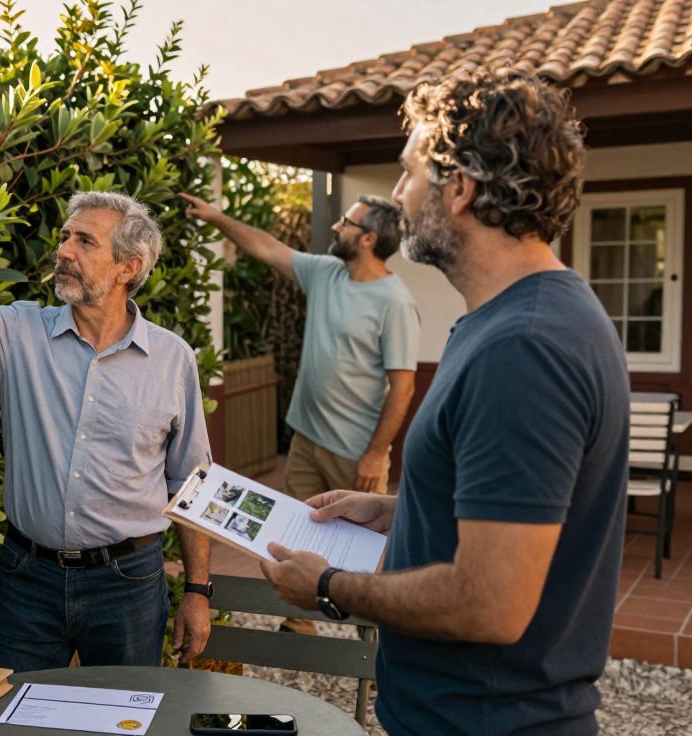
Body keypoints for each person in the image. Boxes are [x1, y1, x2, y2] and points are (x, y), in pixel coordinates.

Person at [260, 70, 628, 735]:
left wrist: (326, 586)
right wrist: (401, 506)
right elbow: (523, 507)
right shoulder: (515, 320)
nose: (398, 197)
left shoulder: (526, 347)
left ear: (459, 190)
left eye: (408, 176)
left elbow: (490, 603)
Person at [0, 178, 214, 670]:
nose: (63, 251)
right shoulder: (19, 332)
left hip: (129, 582)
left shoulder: (172, 359)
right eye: (64, 237)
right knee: (15, 720)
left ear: (129, 267)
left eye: (84, 241)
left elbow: (192, 482)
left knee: (123, 721)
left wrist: (198, 591)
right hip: (27, 576)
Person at [180, 193, 419, 499]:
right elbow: (267, 247)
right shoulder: (324, 273)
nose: (335, 226)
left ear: (369, 239)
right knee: (298, 535)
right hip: (305, 441)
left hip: (353, 451)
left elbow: (403, 387)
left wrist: (374, 455)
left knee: (355, 542)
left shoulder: (395, 301)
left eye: (346, 223)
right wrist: (216, 217)